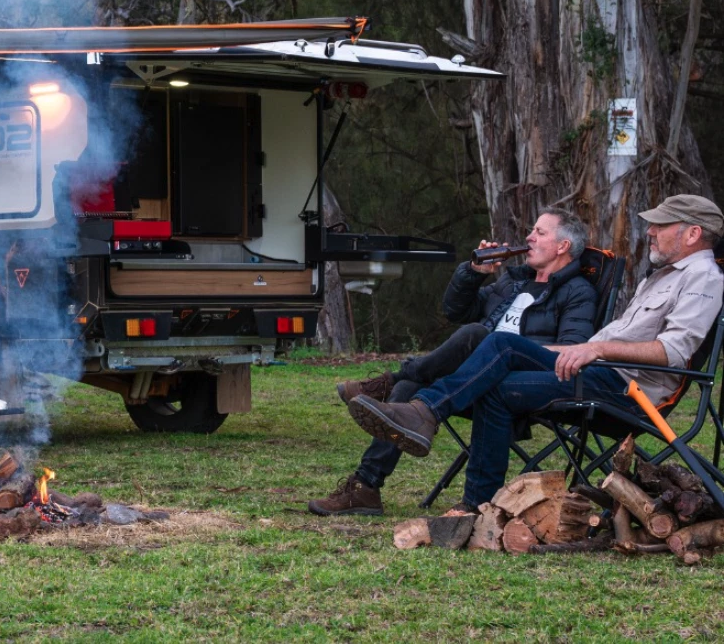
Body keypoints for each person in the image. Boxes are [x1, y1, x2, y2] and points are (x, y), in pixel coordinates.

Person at [346, 194, 724, 513]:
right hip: (600, 370)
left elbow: (674, 351)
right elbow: (459, 311)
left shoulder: (704, 277)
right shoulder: (662, 275)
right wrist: (575, 349)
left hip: (626, 390)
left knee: (497, 348)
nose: (651, 231)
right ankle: (473, 500)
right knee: (496, 360)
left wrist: (595, 347)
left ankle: (430, 423)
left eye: (661, 225)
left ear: (692, 233)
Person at [309, 208, 597, 516]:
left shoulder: (578, 291)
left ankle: (390, 381)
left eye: (540, 232)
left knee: (479, 336)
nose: (529, 237)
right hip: (471, 379)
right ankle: (365, 487)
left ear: (562, 246)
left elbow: (572, 351)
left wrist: (506, 349)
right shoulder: (514, 282)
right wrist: (473, 273)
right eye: (532, 230)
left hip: (519, 385)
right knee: (410, 386)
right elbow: (456, 311)